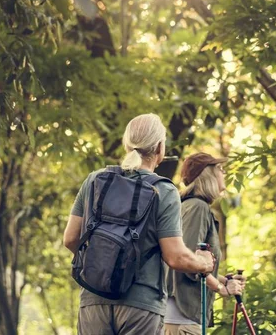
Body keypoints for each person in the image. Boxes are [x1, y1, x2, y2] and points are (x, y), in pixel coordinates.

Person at [63, 114, 215, 335]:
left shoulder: (95, 181)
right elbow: (175, 257)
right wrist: (203, 263)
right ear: (160, 148)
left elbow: (70, 239)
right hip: (141, 304)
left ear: (127, 144)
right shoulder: (164, 190)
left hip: (93, 299)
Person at [165, 152, 245, 335]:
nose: (224, 173)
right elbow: (188, 262)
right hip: (182, 320)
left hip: (180, 318)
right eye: (220, 170)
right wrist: (221, 288)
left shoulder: (190, 206)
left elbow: (197, 263)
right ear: (207, 175)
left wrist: (225, 280)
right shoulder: (197, 207)